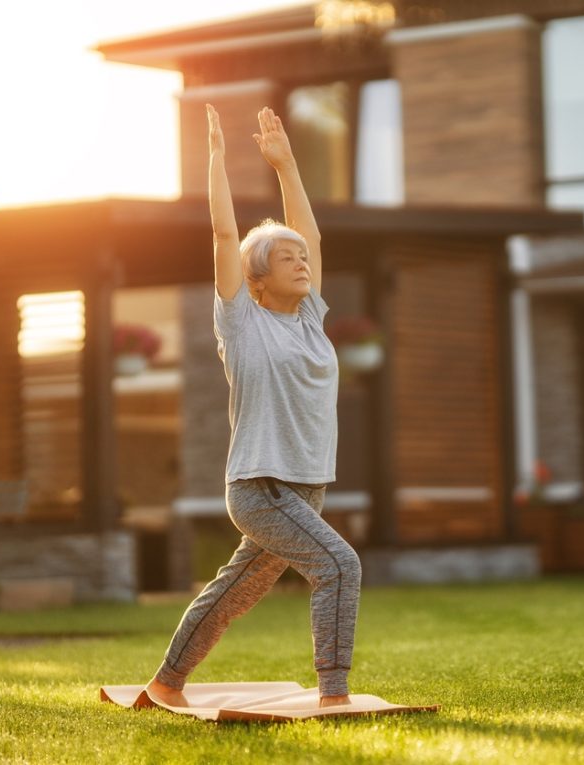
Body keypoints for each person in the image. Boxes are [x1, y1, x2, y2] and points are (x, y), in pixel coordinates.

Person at [144, 105, 360, 709]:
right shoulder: (242, 322)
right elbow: (222, 236)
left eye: (303, 258)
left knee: (237, 590)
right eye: (286, 258)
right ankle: (334, 693)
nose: (302, 262)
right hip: (262, 486)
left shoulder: (313, 322)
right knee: (339, 566)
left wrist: (288, 166)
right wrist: (216, 161)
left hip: (306, 487)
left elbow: (312, 235)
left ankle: (166, 683)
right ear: (258, 278)